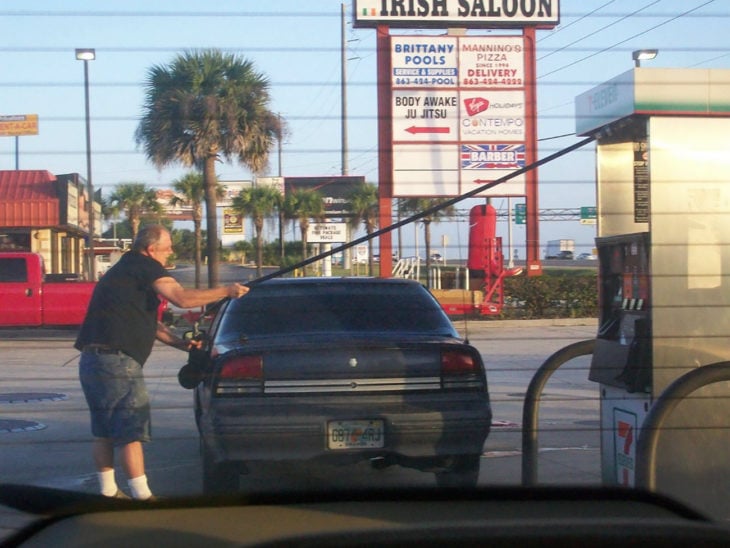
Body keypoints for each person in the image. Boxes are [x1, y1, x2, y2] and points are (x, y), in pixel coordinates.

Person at [75, 224, 248, 500]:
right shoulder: (146, 267)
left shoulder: (122, 270)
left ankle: (108, 492)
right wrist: (227, 290)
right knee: (131, 430)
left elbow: (149, 324)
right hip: (118, 363)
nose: (171, 252)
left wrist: (181, 343)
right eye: (167, 247)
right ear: (151, 249)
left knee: (104, 431)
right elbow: (181, 298)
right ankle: (143, 497)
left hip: (92, 360)